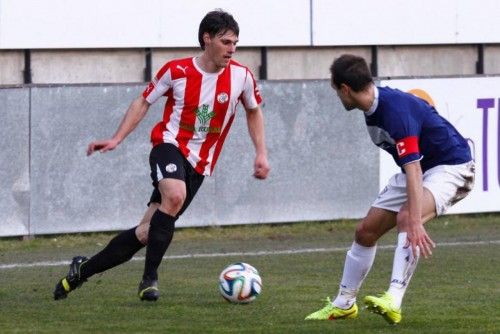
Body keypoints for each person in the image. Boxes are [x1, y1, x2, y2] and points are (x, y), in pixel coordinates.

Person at [53, 9, 270, 302]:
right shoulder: (176, 71)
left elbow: (254, 112)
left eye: (235, 43)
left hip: (200, 164)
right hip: (169, 145)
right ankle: (149, 279)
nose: (232, 49)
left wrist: (261, 153)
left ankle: (81, 271)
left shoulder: (241, 77)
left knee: (146, 233)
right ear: (207, 39)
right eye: (225, 42)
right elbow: (143, 102)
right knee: (175, 195)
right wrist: (118, 138)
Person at [305, 54, 474, 324]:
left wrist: (416, 221)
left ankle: (394, 299)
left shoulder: (395, 113)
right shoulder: (372, 106)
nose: (338, 96)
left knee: (409, 217)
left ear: (345, 89)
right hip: (422, 165)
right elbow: (413, 166)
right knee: (365, 231)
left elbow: (414, 170)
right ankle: (344, 303)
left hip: (451, 165)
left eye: (337, 91)